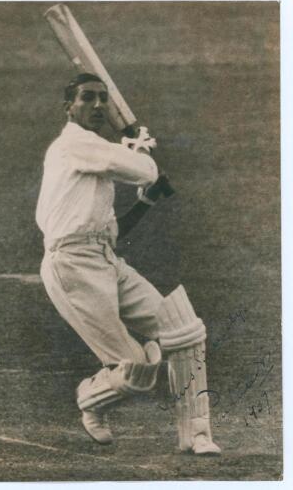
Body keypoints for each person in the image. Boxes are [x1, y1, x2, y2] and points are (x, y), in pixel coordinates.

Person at [36, 72, 220, 454]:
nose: (99, 105)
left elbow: (114, 231)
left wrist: (147, 199)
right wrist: (140, 149)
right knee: (136, 372)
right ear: (68, 107)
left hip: (105, 259)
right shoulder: (73, 145)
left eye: (104, 98)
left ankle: (196, 433)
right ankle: (90, 400)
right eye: (88, 98)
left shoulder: (96, 157)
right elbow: (144, 170)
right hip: (72, 267)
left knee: (183, 329)